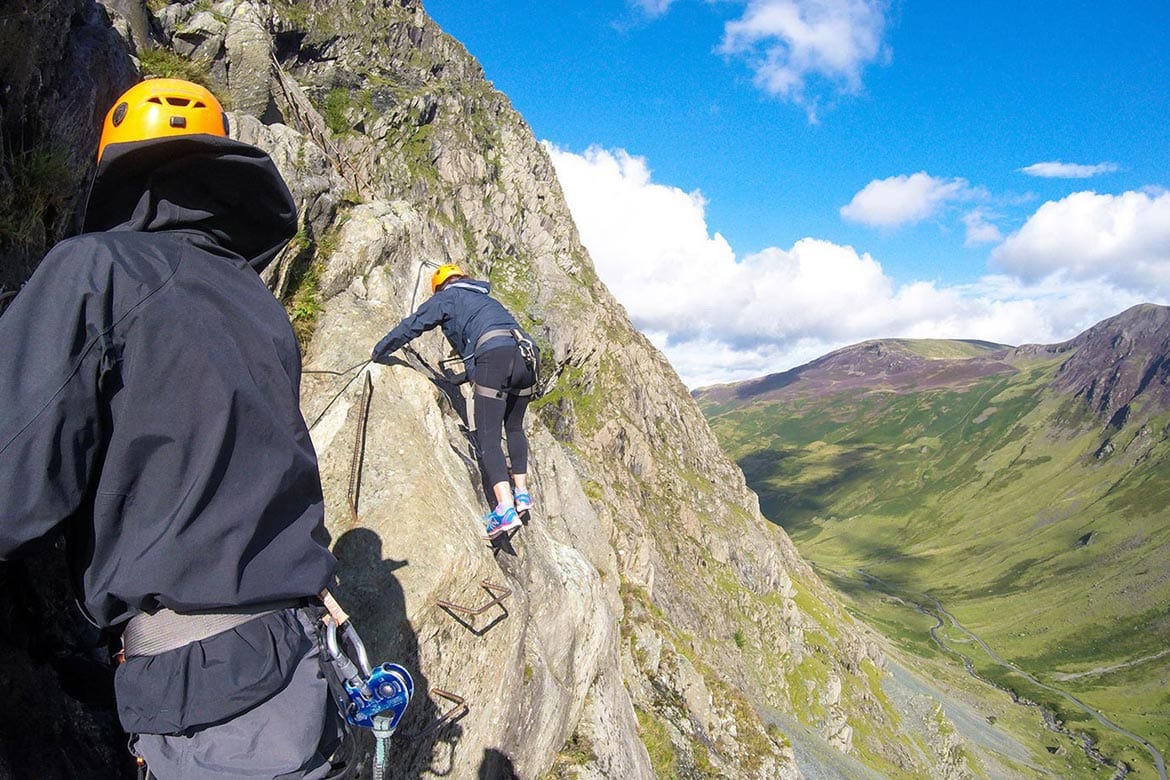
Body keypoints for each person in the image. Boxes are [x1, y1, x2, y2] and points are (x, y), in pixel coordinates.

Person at [0, 78, 344, 778]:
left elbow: (13, 473)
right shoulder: (255, 302)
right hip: (298, 662)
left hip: (208, 696)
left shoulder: (97, 268)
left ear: (117, 172)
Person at [371, 264, 538, 538]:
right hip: (527, 356)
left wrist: (380, 349)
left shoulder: (448, 297)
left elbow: (414, 324)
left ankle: (505, 509)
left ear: (440, 287)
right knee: (515, 427)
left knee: (488, 436)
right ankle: (521, 494)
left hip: (495, 355)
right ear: (465, 278)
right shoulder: (486, 300)